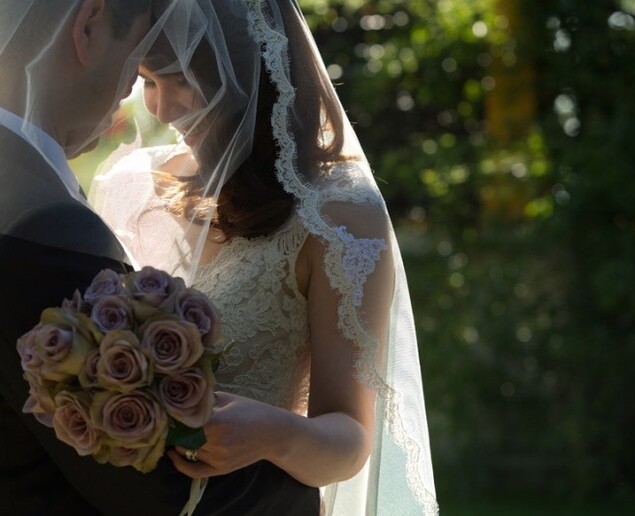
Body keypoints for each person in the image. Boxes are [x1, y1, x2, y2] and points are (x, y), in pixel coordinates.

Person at [91, 0, 439, 514]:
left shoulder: (337, 216)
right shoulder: (130, 186)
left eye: (181, 80)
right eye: (148, 81)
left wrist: (274, 435)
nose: (161, 109)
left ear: (250, 72)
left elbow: (350, 439)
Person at [0, 1, 320, 514]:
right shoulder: (45, 228)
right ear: (88, 26)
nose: (135, 95)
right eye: (138, 64)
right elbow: (148, 487)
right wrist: (305, 492)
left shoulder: (28, 195)